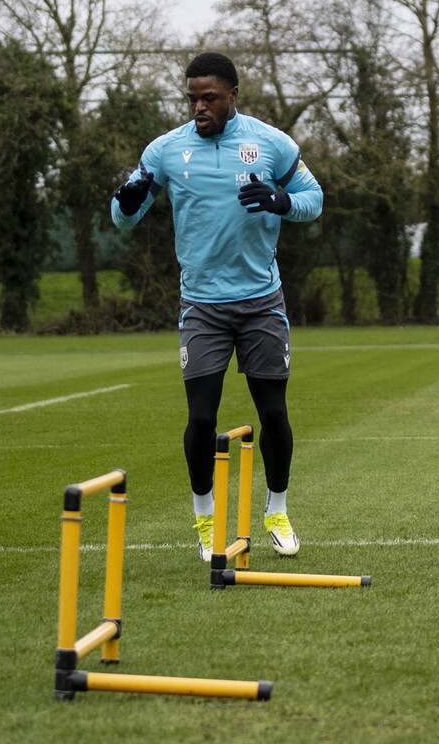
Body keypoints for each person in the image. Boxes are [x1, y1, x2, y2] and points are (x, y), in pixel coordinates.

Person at [111, 52, 323, 561]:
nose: (199, 107)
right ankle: (206, 521)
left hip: (260, 302)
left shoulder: (271, 144)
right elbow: (124, 219)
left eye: (209, 98)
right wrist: (128, 195)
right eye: (192, 99)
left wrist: (281, 201)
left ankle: (277, 510)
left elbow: (313, 200)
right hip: (202, 305)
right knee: (201, 420)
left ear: (232, 94)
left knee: (273, 411)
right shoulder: (165, 150)